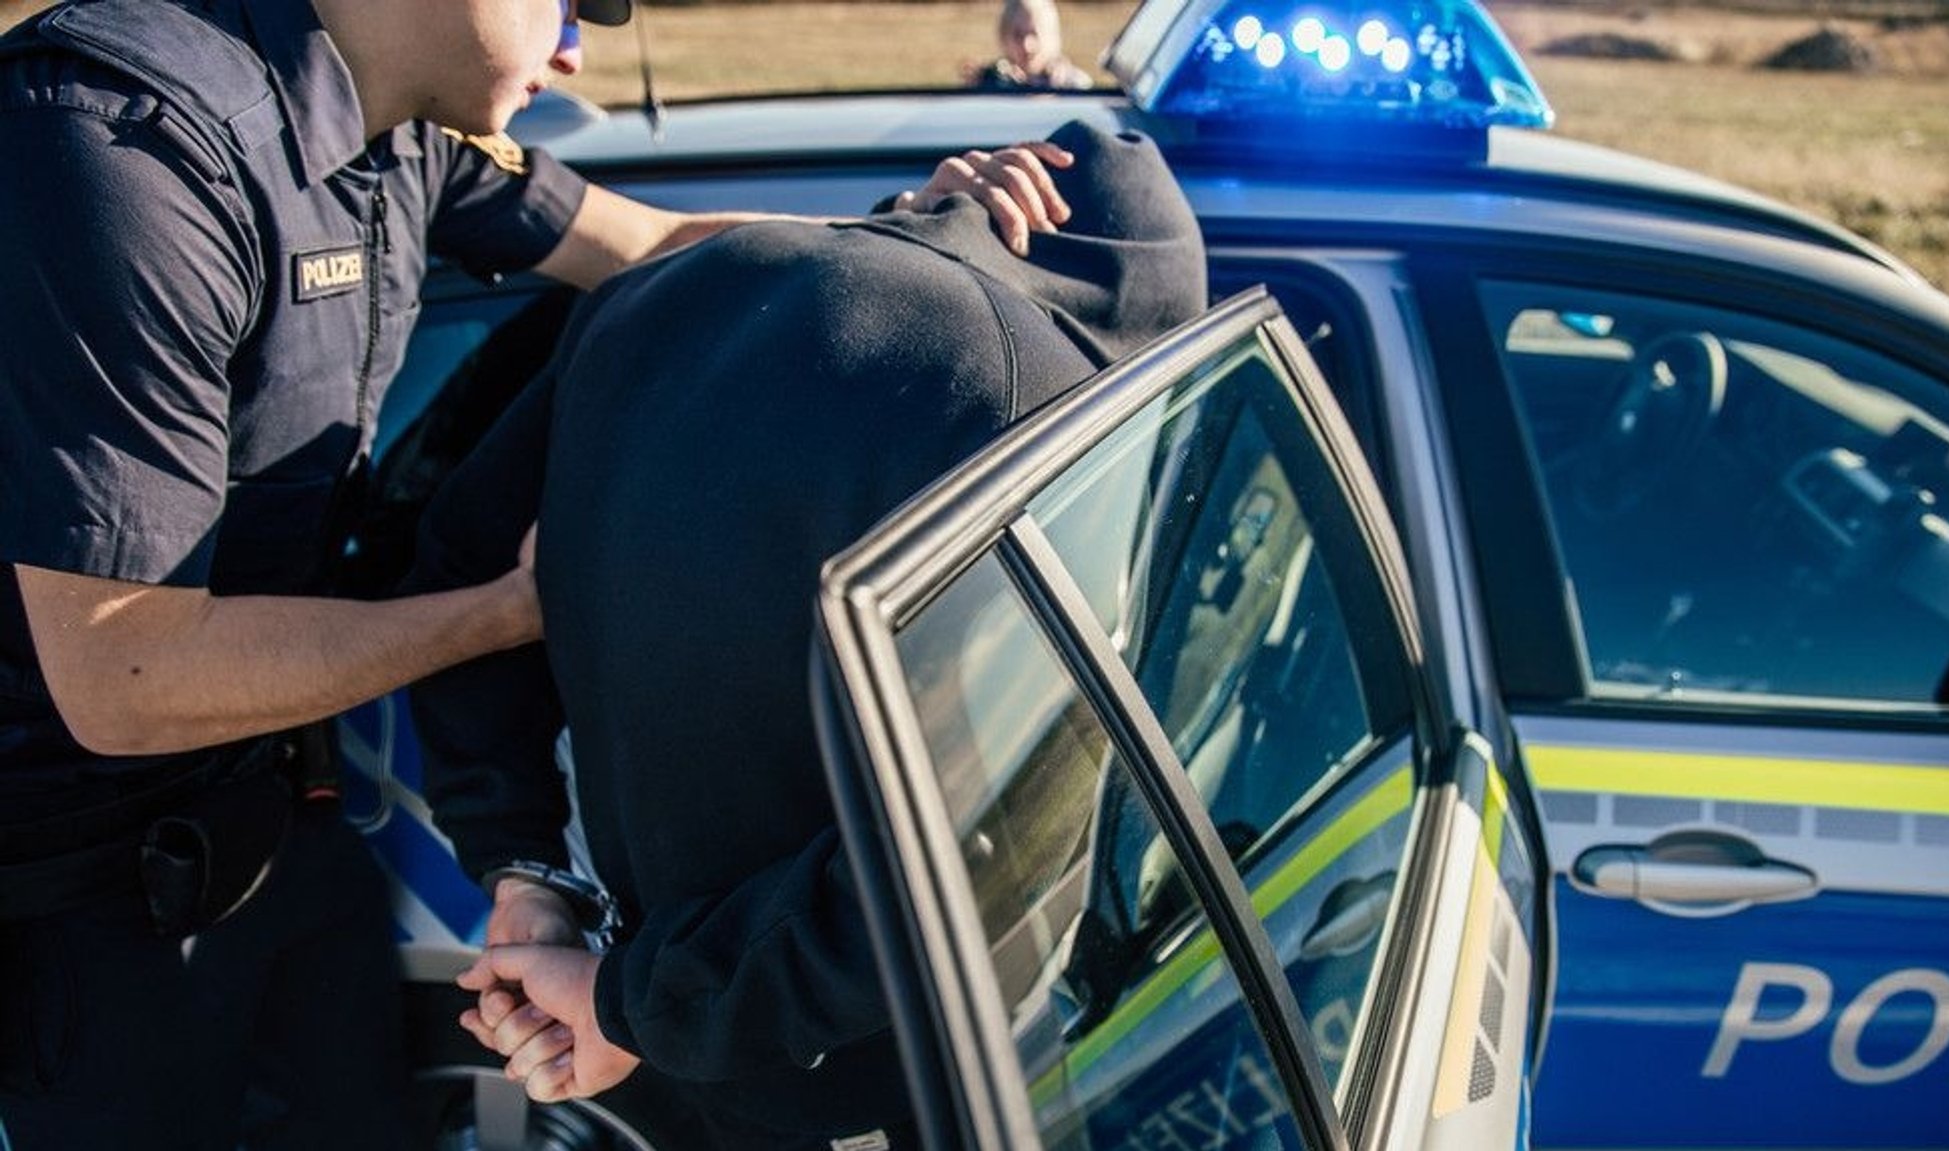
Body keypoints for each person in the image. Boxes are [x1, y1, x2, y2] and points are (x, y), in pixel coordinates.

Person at [0, 0, 1072, 1147]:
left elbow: (655, 248)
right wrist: (504, 610)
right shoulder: (118, 148)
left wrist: (907, 232)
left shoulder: (400, 125)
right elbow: (124, 669)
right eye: (566, 3)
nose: (574, 50)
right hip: (96, 903)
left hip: (281, 830)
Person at [405, 118, 1206, 1149]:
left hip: (663, 1021)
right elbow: (970, 855)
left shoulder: (672, 291)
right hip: (864, 1080)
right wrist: (630, 1004)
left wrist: (521, 866)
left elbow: (461, 580)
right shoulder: (1033, 416)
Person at [968, 0, 1095, 92]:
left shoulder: (1074, 84)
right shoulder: (990, 84)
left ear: (1051, 36)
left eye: (1035, 33)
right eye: (1017, 35)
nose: (1027, 46)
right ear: (1003, 38)